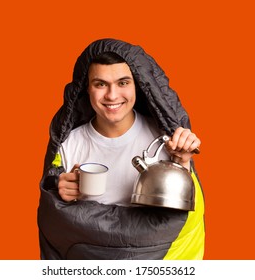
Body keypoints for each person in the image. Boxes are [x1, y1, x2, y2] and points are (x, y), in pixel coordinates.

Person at [38, 38, 205, 260]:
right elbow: (53, 219)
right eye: (100, 84)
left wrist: (183, 164)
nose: (112, 96)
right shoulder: (69, 144)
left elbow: (185, 220)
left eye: (123, 83)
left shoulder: (168, 140)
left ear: (138, 85)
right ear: (87, 89)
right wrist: (63, 193)